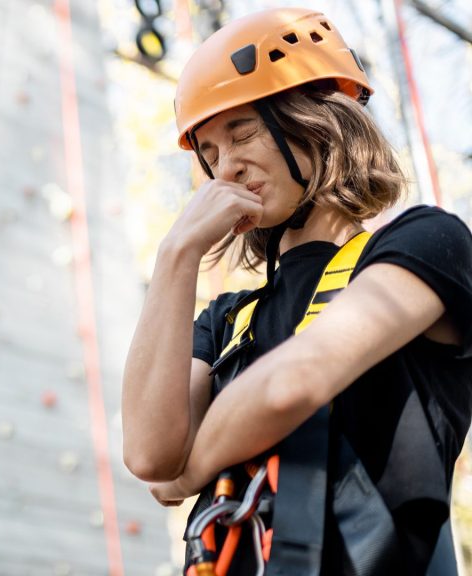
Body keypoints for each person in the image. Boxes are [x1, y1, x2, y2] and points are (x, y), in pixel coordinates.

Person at [120, 7, 472, 575]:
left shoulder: (425, 244)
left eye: (242, 131)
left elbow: (294, 382)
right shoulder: (229, 320)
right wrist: (176, 255)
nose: (225, 167)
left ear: (316, 120)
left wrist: (193, 468)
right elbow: (148, 451)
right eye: (209, 155)